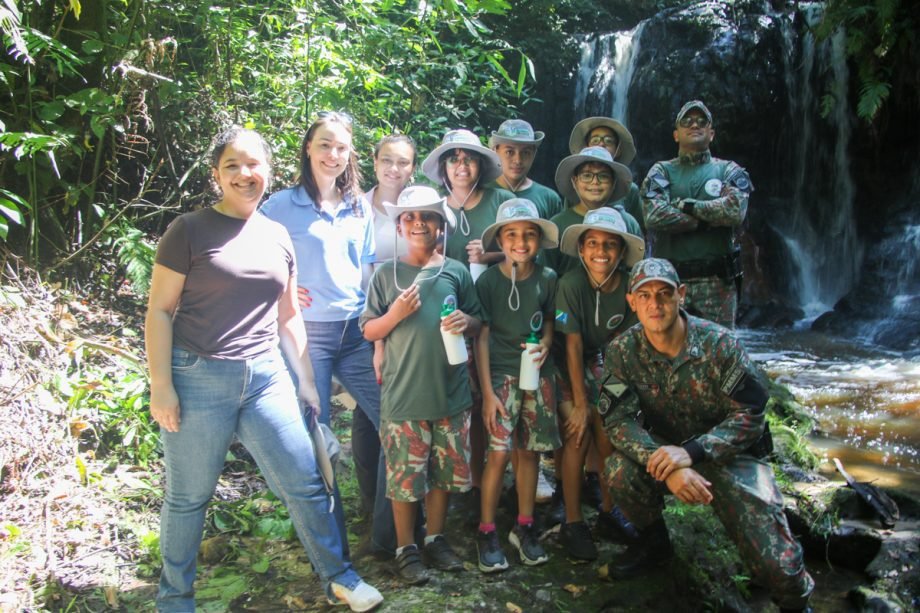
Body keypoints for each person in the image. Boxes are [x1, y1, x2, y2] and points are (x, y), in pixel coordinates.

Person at [146, 127, 382, 612]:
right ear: (217, 175)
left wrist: (309, 384)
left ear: (268, 171)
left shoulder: (277, 233)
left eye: (253, 164)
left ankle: (338, 577)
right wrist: (161, 385)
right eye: (232, 165)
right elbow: (159, 311)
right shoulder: (188, 230)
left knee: (306, 481)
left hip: (266, 377)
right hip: (197, 376)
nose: (244, 174)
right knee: (189, 497)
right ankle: (175, 599)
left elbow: (288, 315)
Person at [597, 258, 814, 610]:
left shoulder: (720, 345)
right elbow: (618, 420)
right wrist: (668, 463)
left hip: (731, 455)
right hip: (668, 453)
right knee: (619, 472)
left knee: (779, 563)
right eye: (646, 295)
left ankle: (796, 602)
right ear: (632, 302)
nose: (656, 304)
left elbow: (751, 414)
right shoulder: (621, 351)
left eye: (665, 294)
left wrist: (693, 452)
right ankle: (654, 545)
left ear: (681, 295)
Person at [260, 112, 396, 557]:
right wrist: (276, 283)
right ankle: (332, 546)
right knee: (317, 440)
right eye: (324, 145)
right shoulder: (280, 206)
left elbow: (369, 269)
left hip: (356, 332)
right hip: (308, 336)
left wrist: (378, 330)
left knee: (395, 423)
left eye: (341, 147)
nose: (333, 154)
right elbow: (249, 250)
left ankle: (384, 537)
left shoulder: (358, 205)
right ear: (308, 148)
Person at [360, 185, 483, 585]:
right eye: (410, 217)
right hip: (404, 395)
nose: (418, 223)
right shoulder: (386, 274)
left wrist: (467, 321)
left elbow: (479, 321)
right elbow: (369, 330)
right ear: (398, 226)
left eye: (428, 216)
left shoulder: (456, 271)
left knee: (444, 474)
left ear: (440, 225)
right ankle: (404, 547)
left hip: (450, 393)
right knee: (405, 478)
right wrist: (395, 313)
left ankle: (434, 538)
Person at [421, 129, 515, 497]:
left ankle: (503, 481)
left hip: (499, 318)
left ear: (481, 164)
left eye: (469, 158)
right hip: (449, 323)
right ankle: (470, 482)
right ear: (444, 166)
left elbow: (528, 249)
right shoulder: (435, 209)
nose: (462, 165)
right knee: (466, 403)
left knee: (499, 397)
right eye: (454, 158)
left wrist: (491, 255)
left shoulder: (500, 201)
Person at [552, 207, 645, 561]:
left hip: (606, 362)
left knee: (609, 431)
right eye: (592, 243)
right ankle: (573, 523)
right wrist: (580, 403)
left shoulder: (629, 286)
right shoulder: (570, 284)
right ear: (581, 248)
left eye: (609, 244)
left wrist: (606, 400)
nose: (600, 251)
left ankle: (609, 510)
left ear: (621, 251)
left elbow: (624, 345)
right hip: (562, 361)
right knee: (580, 431)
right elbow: (572, 346)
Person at [473, 199, 560, 572]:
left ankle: (524, 525)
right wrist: (488, 393)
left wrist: (546, 343)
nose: (521, 242)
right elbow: (481, 336)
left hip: (537, 376)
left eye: (529, 235)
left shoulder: (548, 278)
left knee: (530, 453)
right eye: (512, 235)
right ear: (500, 240)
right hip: (501, 378)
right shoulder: (489, 281)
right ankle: (487, 529)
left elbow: (555, 320)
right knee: (498, 453)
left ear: (539, 239)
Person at [640, 100, 753, 328]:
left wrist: (689, 206)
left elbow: (734, 211)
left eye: (702, 121)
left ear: (711, 134)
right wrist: (706, 222)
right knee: (670, 352)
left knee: (719, 355)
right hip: (670, 283)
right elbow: (654, 215)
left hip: (718, 285)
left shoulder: (728, 170)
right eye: (687, 121)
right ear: (676, 134)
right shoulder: (661, 171)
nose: (695, 124)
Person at [544, 146, 638, 278]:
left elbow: (635, 273)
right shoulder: (558, 224)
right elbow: (547, 275)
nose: (595, 182)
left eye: (603, 176)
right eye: (587, 175)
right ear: (574, 180)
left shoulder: (628, 223)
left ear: (613, 182)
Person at [568, 117, 644, 235]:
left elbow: (637, 228)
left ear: (618, 150)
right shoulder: (577, 184)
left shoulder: (630, 189)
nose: (601, 144)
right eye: (595, 140)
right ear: (586, 147)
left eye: (609, 141)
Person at [488, 119, 564, 219]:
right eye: (509, 152)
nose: (518, 160)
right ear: (496, 151)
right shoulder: (481, 192)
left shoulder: (548, 198)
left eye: (525, 152)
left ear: (534, 154)